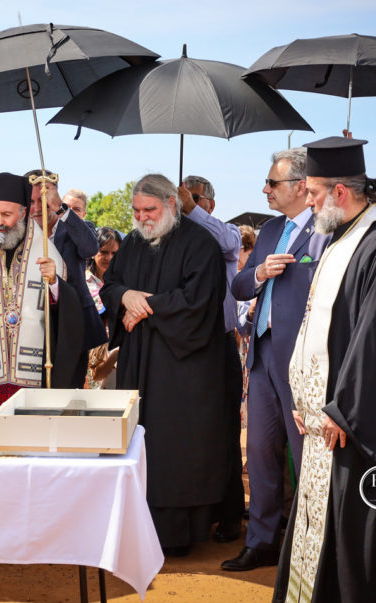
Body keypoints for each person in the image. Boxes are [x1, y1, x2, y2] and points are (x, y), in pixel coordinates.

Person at [273, 137, 376, 602]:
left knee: (356, 542)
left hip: (353, 428)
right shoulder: (344, 238)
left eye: (315, 194)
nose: (311, 202)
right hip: (322, 416)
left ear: (340, 191)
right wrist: (304, 399)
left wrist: (343, 410)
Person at [100, 173, 227, 555]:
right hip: (139, 363)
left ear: (172, 203)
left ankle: (174, 537)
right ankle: (134, 527)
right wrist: (126, 297)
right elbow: (110, 285)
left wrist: (146, 307)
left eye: (150, 209)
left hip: (182, 370)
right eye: (136, 210)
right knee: (139, 442)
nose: (141, 217)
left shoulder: (201, 243)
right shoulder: (133, 242)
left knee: (176, 450)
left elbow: (199, 301)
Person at [224, 149, 328, 571]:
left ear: (302, 187)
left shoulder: (327, 231)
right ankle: (262, 541)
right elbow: (239, 286)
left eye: (273, 183)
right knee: (262, 452)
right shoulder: (269, 230)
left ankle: (314, 545)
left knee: (308, 456)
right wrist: (259, 272)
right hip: (262, 357)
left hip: (303, 363)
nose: (265, 190)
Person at [0, 172, 85, 414]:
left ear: (22, 213)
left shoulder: (47, 251)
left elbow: (71, 314)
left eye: (7, 214)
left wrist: (54, 284)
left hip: (34, 379)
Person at [179, 174, 245, 544]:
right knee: (188, 432)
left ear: (210, 204)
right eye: (183, 196)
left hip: (219, 345)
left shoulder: (226, 231)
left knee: (222, 431)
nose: (187, 202)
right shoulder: (174, 235)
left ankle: (229, 513)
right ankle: (193, 513)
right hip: (183, 348)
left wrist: (191, 210)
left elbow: (228, 243)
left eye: (196, 197)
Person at [25, 169, 104, 352]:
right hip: (34, 331)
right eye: (31, 202)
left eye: (43, 201)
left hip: (75, 325)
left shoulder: (75, 226)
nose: (37, 208)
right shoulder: (21, 235)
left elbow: (90, 249)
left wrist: (60, 208)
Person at [85, 226, 121, 389]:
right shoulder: (84, 283)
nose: (109, 258)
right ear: (94, 253)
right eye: (104, 252)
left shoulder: (124, 283)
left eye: (114, 253)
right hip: (93, 360)